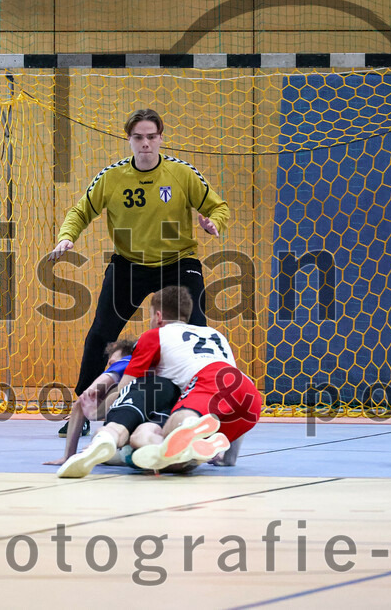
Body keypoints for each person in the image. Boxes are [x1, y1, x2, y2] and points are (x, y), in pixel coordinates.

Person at [49, 108, 231, 421]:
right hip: (130, 264)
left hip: (178, 262)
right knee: (100, 335)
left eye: (151, 136)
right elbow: (80, 212)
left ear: (161, 138)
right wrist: (67, 237)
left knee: (197, 332)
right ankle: (82, 407)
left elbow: (219, 207)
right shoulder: (112, 176)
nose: (145, 143)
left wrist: (213, 223)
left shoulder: (182, 173)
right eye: (138, 137)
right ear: (129, 140)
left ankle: (201, 407)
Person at [55, 286, 261, 478]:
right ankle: (206, 450)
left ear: (158, 316)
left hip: (207, 381)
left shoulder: (155, 335)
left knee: (173, 428)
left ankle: (188, 429)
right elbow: (230, 387)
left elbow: (125, 387)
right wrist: (229, 459)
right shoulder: (215, 334)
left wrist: (99, 411)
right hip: (248, 394)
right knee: (176, 446)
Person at [44, 339, 135, 466]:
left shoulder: (125, 362)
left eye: (111, 362)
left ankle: (122, 453)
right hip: (154, 423)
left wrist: (68, 456)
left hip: (126, 425)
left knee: (101, 439)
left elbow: (84, 399)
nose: (109, 363)